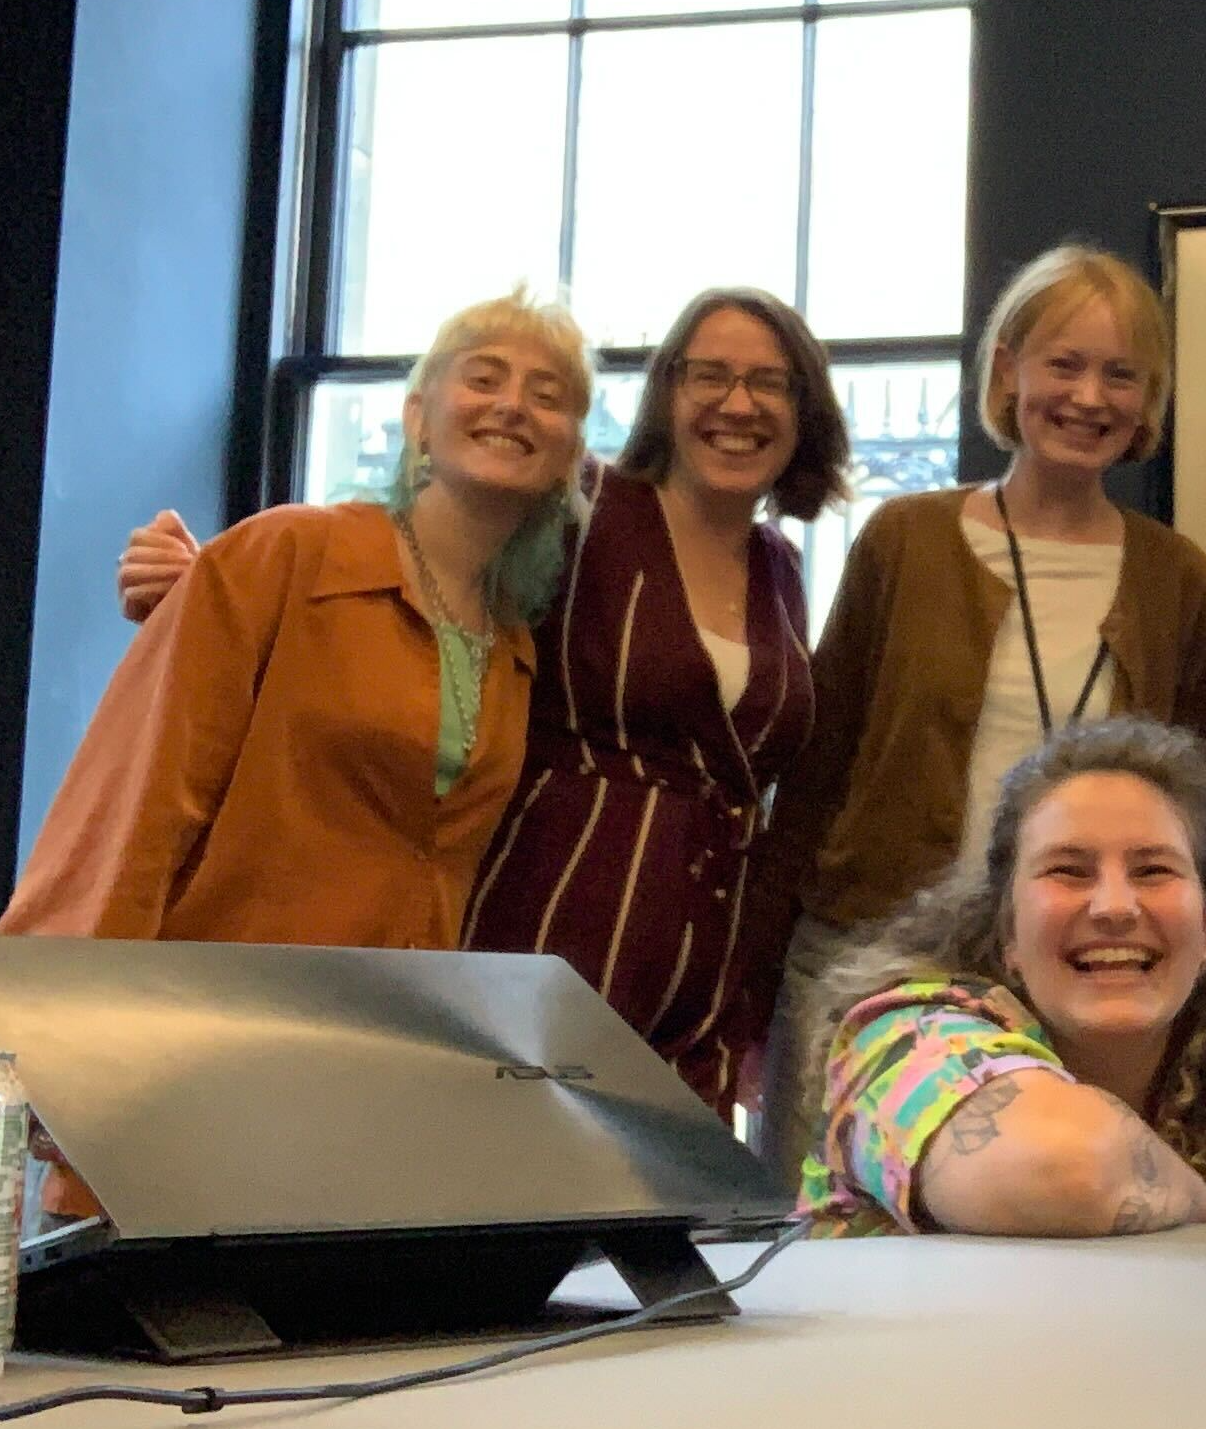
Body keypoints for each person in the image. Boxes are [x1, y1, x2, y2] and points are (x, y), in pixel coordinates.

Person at [113, 287, 850, 1115]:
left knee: (654, 1233)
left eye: (770, 382)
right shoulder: (582, 508)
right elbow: (425, 554)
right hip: (540, 942)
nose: (736, 403)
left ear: (805, 407)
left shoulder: (780, 568)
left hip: (696, 986)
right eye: (707, 374)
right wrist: (204, 578)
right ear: (665, 394)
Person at [752, 245, 1206, 1184]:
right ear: (1008, 369)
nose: (1088, 397)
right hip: (868, 957)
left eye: (1120, 374)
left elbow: (1194, 802)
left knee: (1033, 1226)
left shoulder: (1175, 573)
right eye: (1064, 363)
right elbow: (819, 762)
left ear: (1148, 399)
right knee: (830, 1235)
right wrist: (750, 981)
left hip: (1076, 971)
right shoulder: (905, 539)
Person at [11, 287, 589, 948]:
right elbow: (137, 802)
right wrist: (69, 1002)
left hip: (376, 1028)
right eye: (483, 378)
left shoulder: (514, 648)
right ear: (417, 418)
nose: (512, 405)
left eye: (548, 396)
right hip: (213, 1006)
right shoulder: (287, 554)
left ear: (571, 457)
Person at [796, 716, 1206, 1235]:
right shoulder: (899, 1042)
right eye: (1068, 870)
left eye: (1153, 870)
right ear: (1008, 933)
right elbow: (1066, 1168)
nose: (1115, 906)